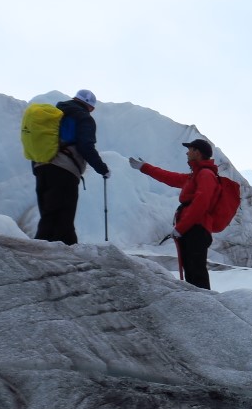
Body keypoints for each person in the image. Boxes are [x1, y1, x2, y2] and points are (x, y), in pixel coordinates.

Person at [129, 139, 222, 290]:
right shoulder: (195, 176)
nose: (187, 152)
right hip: (192, 229)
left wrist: (181, 227)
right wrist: (144, 167)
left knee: (196, 272)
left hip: (196, 229)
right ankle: (198, 305)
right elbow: (169, 177)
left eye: (190, 149)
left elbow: (201, 203)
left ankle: (204, 307)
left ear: (197, 152)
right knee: (192, 273)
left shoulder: (205, 175)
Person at [32, 89, 110, 245]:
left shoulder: (55, 113)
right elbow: (86, 146)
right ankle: (68, 258)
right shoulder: (83, 117)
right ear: (91, 107)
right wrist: (102, 169)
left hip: (41, 167)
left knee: (49, 216)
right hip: (64, 170)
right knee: (63, 219)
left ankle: (43, 256)